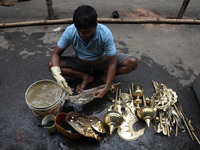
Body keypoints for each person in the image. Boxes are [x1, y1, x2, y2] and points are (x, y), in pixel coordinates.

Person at [48, 5, 138, 98]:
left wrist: (106, 88)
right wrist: (57, 73)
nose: (82, 34)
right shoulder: (70, 31)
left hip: (101, 62)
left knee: (132, 62)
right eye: (79, 31)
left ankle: (104, 75)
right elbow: (56, 53)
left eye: (86, 31)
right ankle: (85, 76)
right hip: (80, 62)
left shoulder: (105, 33)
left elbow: (112, 63)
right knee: (52, 65)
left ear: (95, 25)